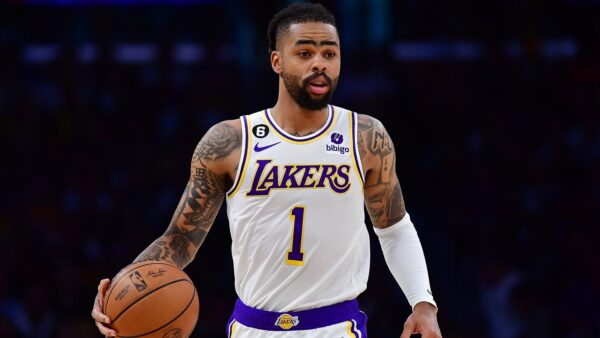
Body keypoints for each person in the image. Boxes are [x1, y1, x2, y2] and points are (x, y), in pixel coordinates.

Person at [91, 3, 442, 337]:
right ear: (276, 60)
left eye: (329, 54)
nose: (319, 63)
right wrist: (118, 288)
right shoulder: (229, 142)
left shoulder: (365, 136)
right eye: (305, 53)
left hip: (335, 327)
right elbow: (180, 240)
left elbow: (394, 229)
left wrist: (423, 302)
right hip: (252, 327)